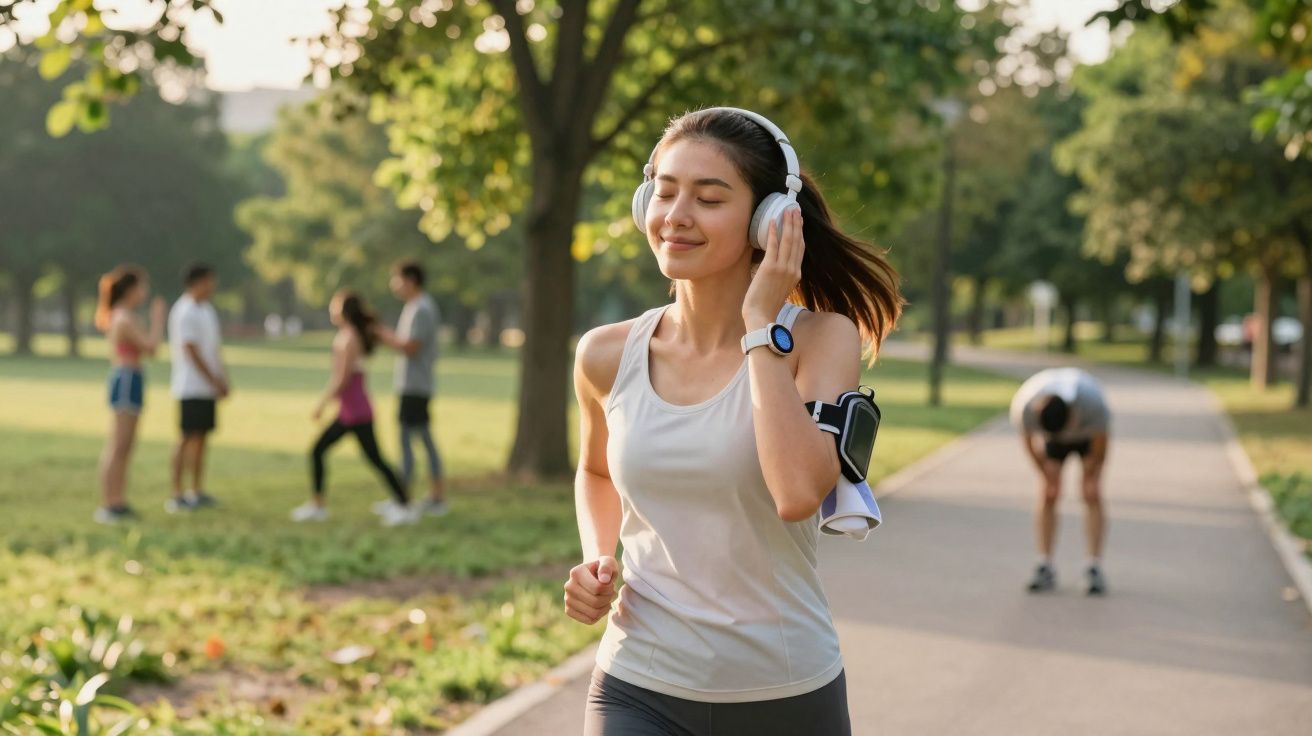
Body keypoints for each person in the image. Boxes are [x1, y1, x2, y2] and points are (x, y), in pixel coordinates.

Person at [564, 107, 902, 736]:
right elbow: (596, 470)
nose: (676, 215)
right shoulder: (605, 354)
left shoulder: (821, 340)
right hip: (637, 684)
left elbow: (797, 493)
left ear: (769, 219)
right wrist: (596, 558)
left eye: (709, 198)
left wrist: (759, 326)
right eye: (664, 192)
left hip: (785, 693)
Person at [293, 290, 415, 526]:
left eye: (334, 305)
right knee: (330, 452)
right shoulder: (352, 334)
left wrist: (322, 403)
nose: (331, 309)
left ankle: (405, 505)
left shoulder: (349, 338)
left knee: (366, 457)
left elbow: (343, 378)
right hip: (350, 411)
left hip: (356, 412)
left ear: (343, 310)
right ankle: (318, 504)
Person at [1009, 367, 1111, 596]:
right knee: (1049, 493)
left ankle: (1093, 566)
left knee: (1091, 493)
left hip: (1088, 436)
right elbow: (1029, 444)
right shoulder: (1025, 405)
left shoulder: (1092, 402)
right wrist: (1045, 474)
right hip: (1053, 440)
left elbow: (1100, 445)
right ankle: (1044, 564)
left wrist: (1091, 473)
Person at [95, 265, 166, 524]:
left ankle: (118, 500)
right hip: (126, 379)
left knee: (126, 445)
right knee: (119, 444)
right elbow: (151, 348)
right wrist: (158, 320)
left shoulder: (124, 315)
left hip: (132, 378)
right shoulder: (124, 318)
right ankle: (109, 503)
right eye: (142, 286)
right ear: (131, 289)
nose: (145, 292)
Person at [377, 259, 447, 517]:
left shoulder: (422, 309)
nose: (394, 285)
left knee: (410, 441)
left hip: (416, 386)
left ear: (411, 280)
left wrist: (382, 335)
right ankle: (426, 497)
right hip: (412, 385)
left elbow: (411, 347)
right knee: (421, 439)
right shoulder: (414, 307)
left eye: (397, 279)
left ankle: (406, 498)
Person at [167, 263, 229, 513]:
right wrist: (213, 379)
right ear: (198, 281)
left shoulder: (207, 310)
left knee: (202, 438)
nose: (213, 286)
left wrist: (222, 378)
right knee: (186, 437)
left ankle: (196, 490)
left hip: (207, 387)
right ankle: (176, 492)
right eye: (209, 280)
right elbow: (191, 350)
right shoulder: (185, 311)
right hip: (190, 386)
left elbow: (213, 349)